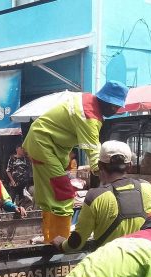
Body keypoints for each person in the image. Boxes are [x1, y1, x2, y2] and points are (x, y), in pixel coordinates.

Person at [23, 80, 129, 243]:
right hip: (43, 143)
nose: (115, 110)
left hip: (46, 142)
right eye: (114, 106)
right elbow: (94, 156)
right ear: (105, 101)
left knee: (49, 195)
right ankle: (60, 243)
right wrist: (112, 176)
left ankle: (49, 240)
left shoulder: (85, 98)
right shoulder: (90, 117)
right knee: (63, 194)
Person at [52, 140, 151, 253]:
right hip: (140, 262)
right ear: (129, 166)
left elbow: (76, 243)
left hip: (110, 267)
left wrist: (61, 244)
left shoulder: (95, 197)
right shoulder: (146, 188)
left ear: (100, 165)